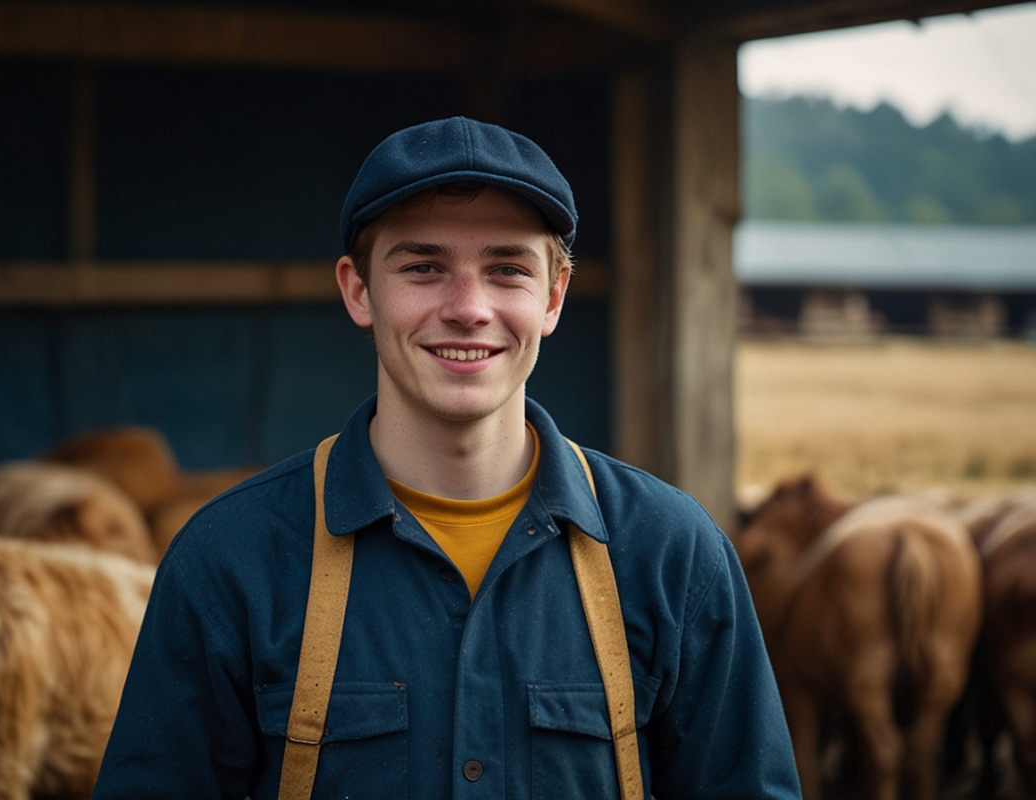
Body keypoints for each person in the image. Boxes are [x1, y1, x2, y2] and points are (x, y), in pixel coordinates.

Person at [92, 116, 802, 799]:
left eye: (507, 270)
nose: (468, 307)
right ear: (358, 290)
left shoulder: (674, 557)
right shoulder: (229, 563)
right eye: (424, 267)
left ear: (553, 297)